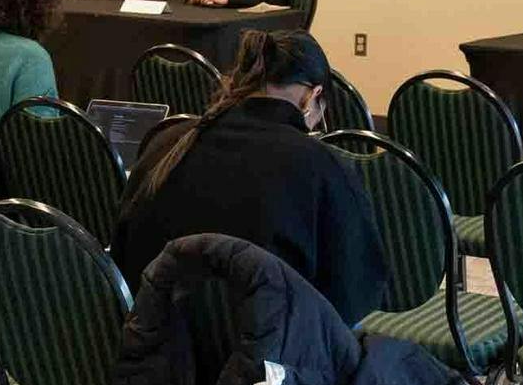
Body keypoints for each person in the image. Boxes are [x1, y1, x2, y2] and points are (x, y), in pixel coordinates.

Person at [110, 29, 387, 322]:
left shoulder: (167, 143)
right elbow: (352, 298)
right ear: (313, 96)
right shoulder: (322, 166)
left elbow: (123, 257)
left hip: (154, 351)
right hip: (268, 358)